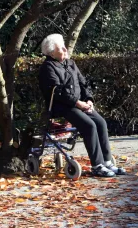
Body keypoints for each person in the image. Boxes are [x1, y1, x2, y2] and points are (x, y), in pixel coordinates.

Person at [39, 33, 126, 177]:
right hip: (62, 106)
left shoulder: (70, 63)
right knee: (89, 125)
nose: (65, 49)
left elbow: (83, 83)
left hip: (80, 104)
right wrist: (78, 103)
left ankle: (107, 162)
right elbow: (58, 92)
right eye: (61, 48)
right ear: (51, 53)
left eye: (64, 46)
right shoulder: (47, 68)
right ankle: (97, 166)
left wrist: (89, 100)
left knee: (101, 123)